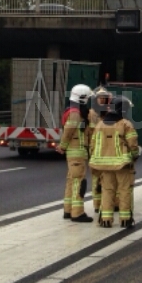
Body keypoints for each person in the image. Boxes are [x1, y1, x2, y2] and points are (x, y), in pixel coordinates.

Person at [89, 97, 140, 228]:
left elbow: (93, 145)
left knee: (107, 190)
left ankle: (106, 219)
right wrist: (134, 156)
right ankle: (125, 219)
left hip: (104, 165)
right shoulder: (125, 124)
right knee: (124, 190)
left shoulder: (99, 125)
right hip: (122, 165)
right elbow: (133, 145)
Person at [57, 84, 94, 223]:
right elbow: (70, 129)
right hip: (77, 151)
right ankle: (77, 213)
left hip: (74, 152)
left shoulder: (74, 111)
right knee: (79, 182)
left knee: (71, 180)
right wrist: (62, 145)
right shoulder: (75, 113)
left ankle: (68, 210)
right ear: (82, 98)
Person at [88, 86, 113, 215]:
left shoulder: (107, 112)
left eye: (104, 98)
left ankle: (105, 203)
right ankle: (97, 205)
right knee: (96, 179)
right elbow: (92, 132)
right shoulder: (93, 113)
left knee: (106, 179)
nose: (102, 101)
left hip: (106, 149)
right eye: (100, 98)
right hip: (96, 149)